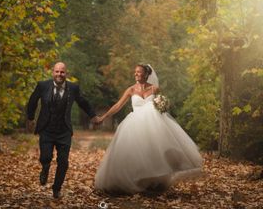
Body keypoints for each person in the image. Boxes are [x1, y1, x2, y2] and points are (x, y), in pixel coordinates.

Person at [94, 64, 202, 194]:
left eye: (139, 72)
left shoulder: (155, 89)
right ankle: (134, 180)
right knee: (136, 152)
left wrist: (163, 105)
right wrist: (104, 117)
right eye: (135, 72)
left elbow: (162, 105)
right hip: (134, 124)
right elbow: (118, 105)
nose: (136, 74)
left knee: (153, 151)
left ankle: (153, 182)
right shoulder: (131, 90)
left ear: (146, 74)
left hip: (154, 124)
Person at [26, 62, 98, 199]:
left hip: (64, 130)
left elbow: (83, 102)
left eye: (62, 72)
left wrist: (92, 115)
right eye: (57, 72)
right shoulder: (43, 85)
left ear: (66, 74)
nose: (59, 74)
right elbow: (32, 101)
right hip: (46, 128)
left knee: (63, 162)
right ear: (53, 72)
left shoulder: (73, 88)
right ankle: (45, 168)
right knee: (45, 157)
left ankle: (56, 189)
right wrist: (30, 118)